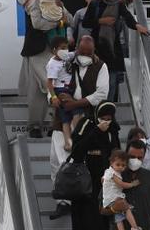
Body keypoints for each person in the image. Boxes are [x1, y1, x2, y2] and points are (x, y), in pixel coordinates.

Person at [49, 35, 108, 220]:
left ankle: (72, 200)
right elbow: (51, 83)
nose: (84, 55)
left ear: (93, 52)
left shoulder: (101, 66)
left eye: (87, 53)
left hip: (84, 121)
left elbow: (102, 94)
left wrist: (76, 104)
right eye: (81, 52)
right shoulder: (65, 62)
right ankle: (62, 202)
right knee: (55, 161)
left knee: (72, 162)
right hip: (61, 118)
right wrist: (55, 99)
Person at [80, 0, 150, 101]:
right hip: (96, 48)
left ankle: (108, 110)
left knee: (111, 83)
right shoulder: (95, 4)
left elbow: (128, 18)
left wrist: (138, 26)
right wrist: (102, 21)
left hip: (112, 50)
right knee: (96, 83)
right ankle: (97, 111)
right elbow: (86, 22)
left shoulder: (119, 4)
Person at [20, 0, 66, 138]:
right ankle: (40, 125)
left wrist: (62, 18)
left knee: (43, 88)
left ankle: (46, 125)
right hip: (39, 50)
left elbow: (67, 17)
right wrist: (59, 22)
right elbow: (38, 24)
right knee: (48, 85)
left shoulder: (56, 1)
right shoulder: (35, 1)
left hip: (54, 50)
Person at [69, 101, 121, 229]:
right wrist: (97, 131)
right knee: (86, 219)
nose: (106, 122)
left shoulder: (113, 128)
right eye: (103, 119)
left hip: (104, 183)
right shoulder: (86, 124)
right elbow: (77, 152)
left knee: (101, 221)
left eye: (109, 119)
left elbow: (116, 150)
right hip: (85, 182)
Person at [121, 140, 150, 230]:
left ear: (144, 157)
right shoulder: (115, 177)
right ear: (126, 154)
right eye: (132, 157)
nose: (135, 160)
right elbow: (102, 208)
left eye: (139, 158)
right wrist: (114, 208)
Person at [46, 37, 81, 152]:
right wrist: (54, 97)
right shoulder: (52, 64)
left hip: (70, 88)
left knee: (73, 116)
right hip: (60, 91)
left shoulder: (66, 57)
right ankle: (69, 141)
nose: (65, 50)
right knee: (67, 118)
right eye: (62, 48)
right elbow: (50, 82)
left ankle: (72, 140)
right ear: (54, 50)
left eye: (66, 47)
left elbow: (76, 53)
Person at [103, 150, 143, 230]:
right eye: (118, 164)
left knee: (119, 217)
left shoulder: (109, 172)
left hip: (108, 200)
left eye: (123, 165)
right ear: (111, 163)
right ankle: (135, 227)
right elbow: (121, 184)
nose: (120, 167)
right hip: (113, 198)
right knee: (127, 209)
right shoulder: (113, 174)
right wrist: (132, 184)